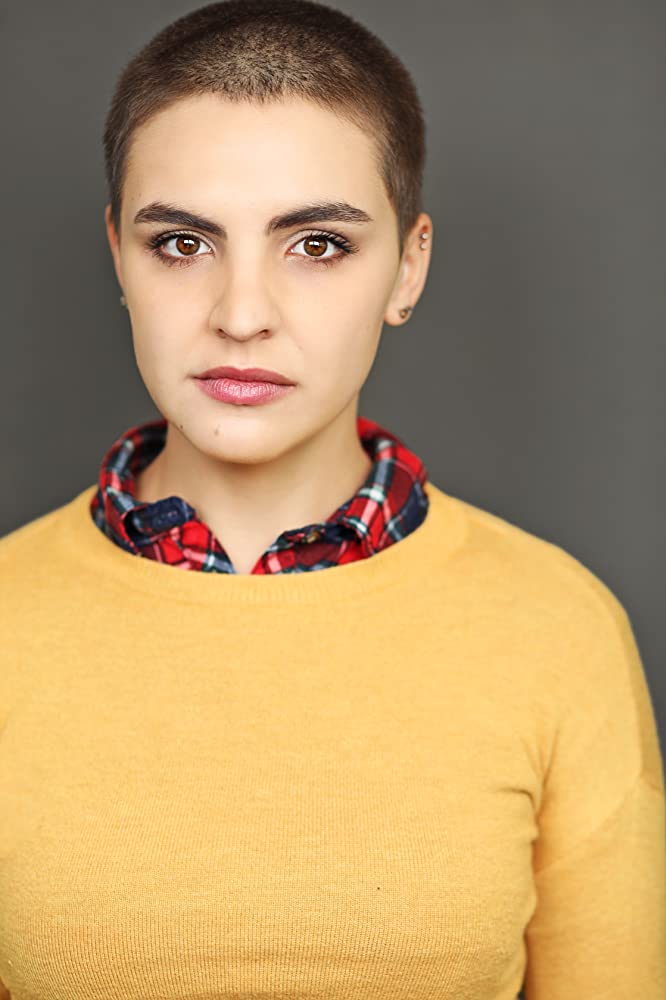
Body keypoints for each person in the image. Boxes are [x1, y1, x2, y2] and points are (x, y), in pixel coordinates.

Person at [0, 1, 663, 997]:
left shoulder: (560, 625)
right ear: (118, 259)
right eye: (182, 243)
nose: (242, 315)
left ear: (409, 267)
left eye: (316, 244)